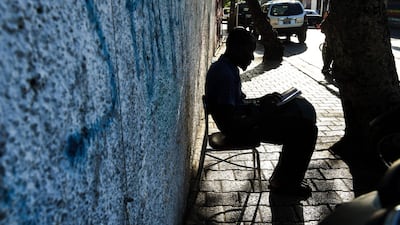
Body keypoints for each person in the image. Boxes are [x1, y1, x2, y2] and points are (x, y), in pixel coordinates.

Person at [205, 27, 318, 199]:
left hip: (244, 122)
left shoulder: (226, 67)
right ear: (236, 48)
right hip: (239, 131)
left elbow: (237, 105)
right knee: (305, 130)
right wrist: (263, 113)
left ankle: (283, 179)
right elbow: (231, 123)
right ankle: (284, 182)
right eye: (249, 52)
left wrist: (260, 101)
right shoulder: (224, 74)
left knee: (298, 120)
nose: (251, 57)